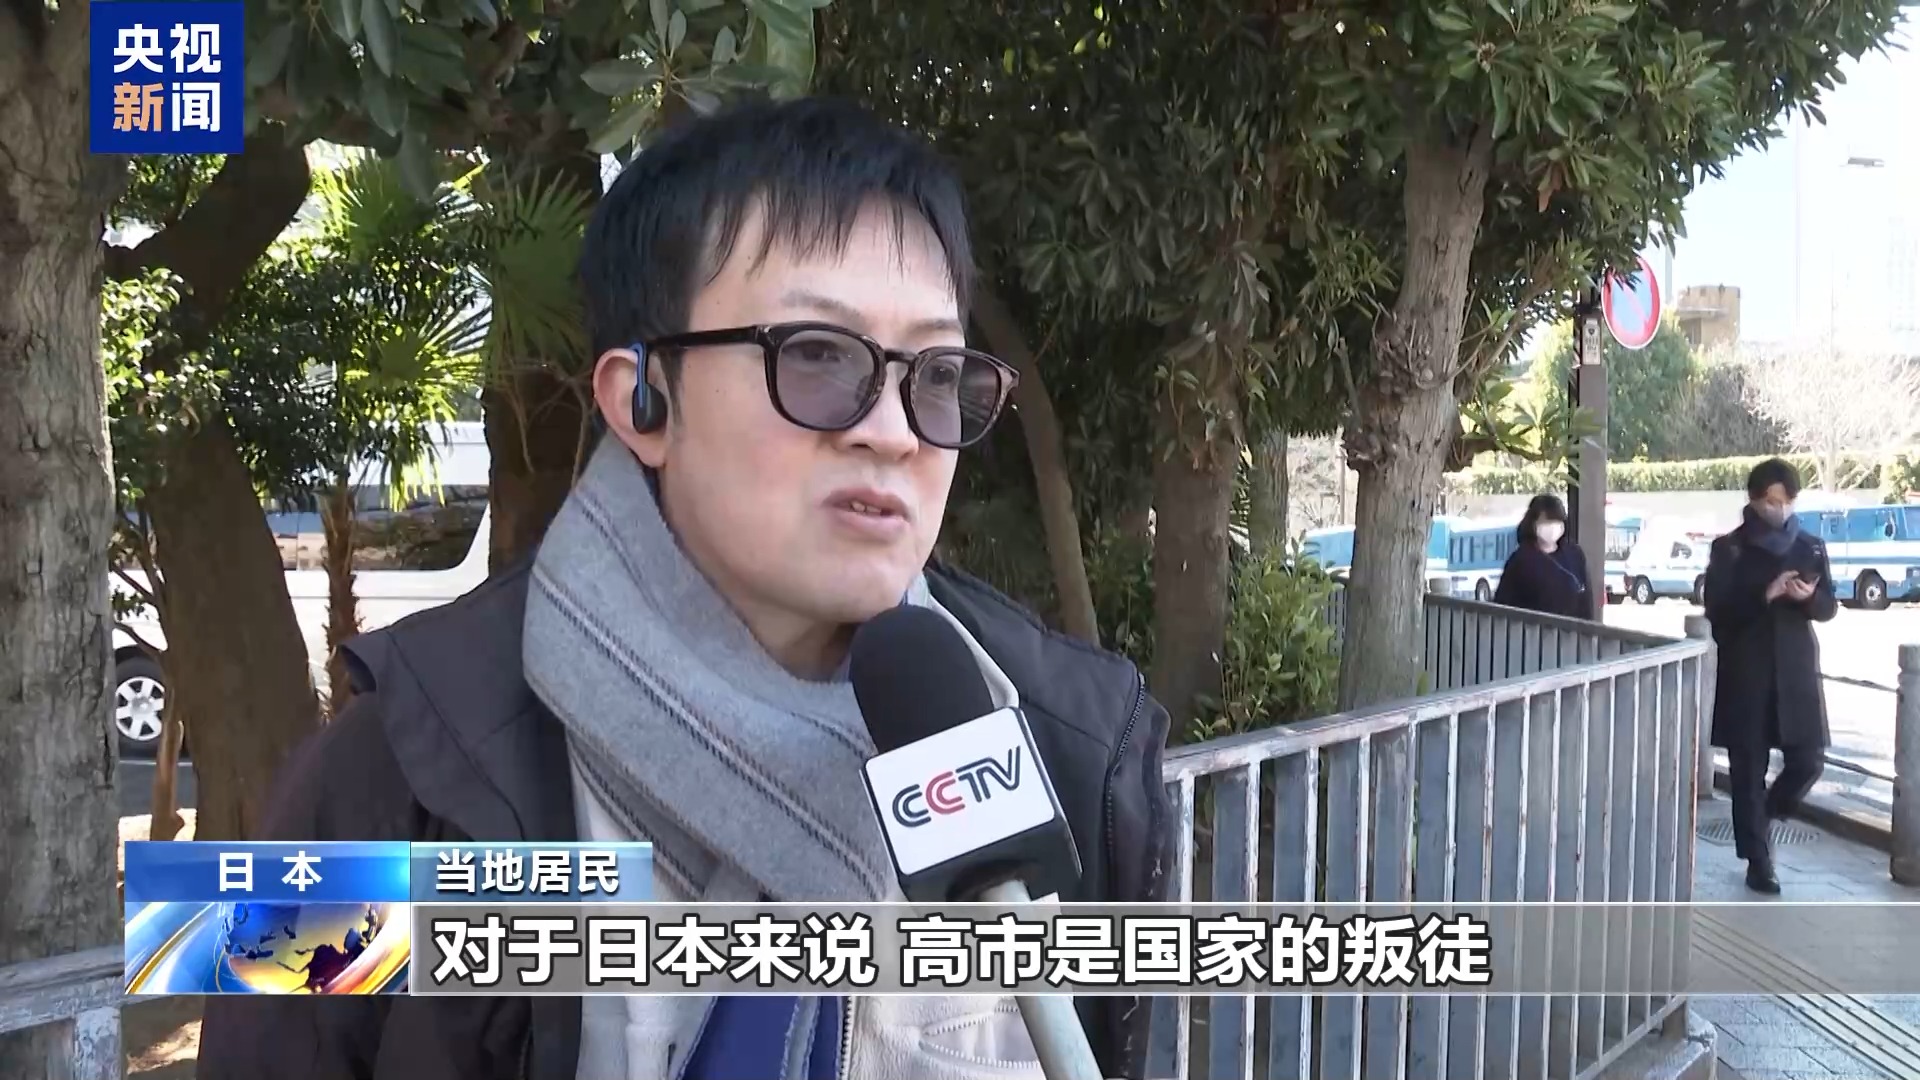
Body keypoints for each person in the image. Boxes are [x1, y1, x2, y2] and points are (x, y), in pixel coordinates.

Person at [197, 97, 1175, 1080]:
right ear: (641, 400)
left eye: (936, 374)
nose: (892, 433)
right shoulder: (398, 775)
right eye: (818, 356)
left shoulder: (1073, 746)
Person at [1703, 457, 1835, 894]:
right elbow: (1717, 612)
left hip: (1795, 668)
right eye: (1771, 501)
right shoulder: (1730, 548)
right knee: (1748, 770)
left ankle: (1764, 817)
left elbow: (1829, 606)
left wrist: (1807, 597)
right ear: (1755, 499)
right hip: (1747, 670)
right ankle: (1758, 862)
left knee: (1808, 760)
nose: (1779, 509)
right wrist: (1766, 594)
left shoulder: (1810, 546)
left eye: (1786, 500)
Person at [1492, 494, 1593, 619]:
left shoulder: (1574, 554)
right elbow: (1503, 605)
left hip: (1571, 629)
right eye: (1546, 521)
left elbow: (1586, 600)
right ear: (1533, 523)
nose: (1552, 527)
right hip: (1532, 629)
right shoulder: (1520, 561)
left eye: (1557, 521)